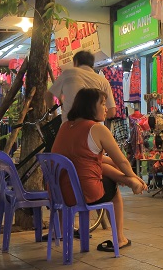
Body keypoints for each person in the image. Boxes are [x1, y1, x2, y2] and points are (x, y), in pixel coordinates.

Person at [51, 88, 147, 252]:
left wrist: (121, 170)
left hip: (58, 193)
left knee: (100, 167)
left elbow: (86, 159)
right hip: (82, 193)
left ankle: (127, 180)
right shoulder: (97, 129)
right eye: (102, 104)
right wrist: (136, 177)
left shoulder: (65, 126)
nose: (106, 108)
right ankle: (120, 238)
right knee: (113, 190)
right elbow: (123, 161)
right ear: (90, 106)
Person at [45, 50, 117, 122]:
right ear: (92, 64)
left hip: (69, 126)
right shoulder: (103, 81)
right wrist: (93, 117)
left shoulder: (68, 74)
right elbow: (112, 112)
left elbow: (48, 95)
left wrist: (54, 115)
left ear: (75, 62)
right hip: (94, 129)